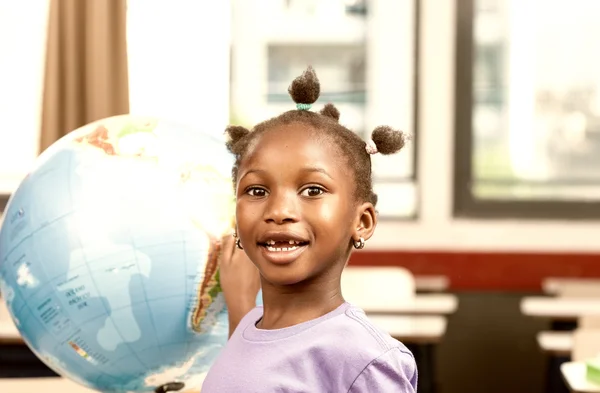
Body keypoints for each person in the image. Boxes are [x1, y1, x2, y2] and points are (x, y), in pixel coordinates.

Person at [202, 66, 417, 392]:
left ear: (362, 222)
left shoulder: (363, 359)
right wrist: (239, 307)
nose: (279, 211)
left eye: (313, 190)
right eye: (257, 191)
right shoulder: (249, 325)